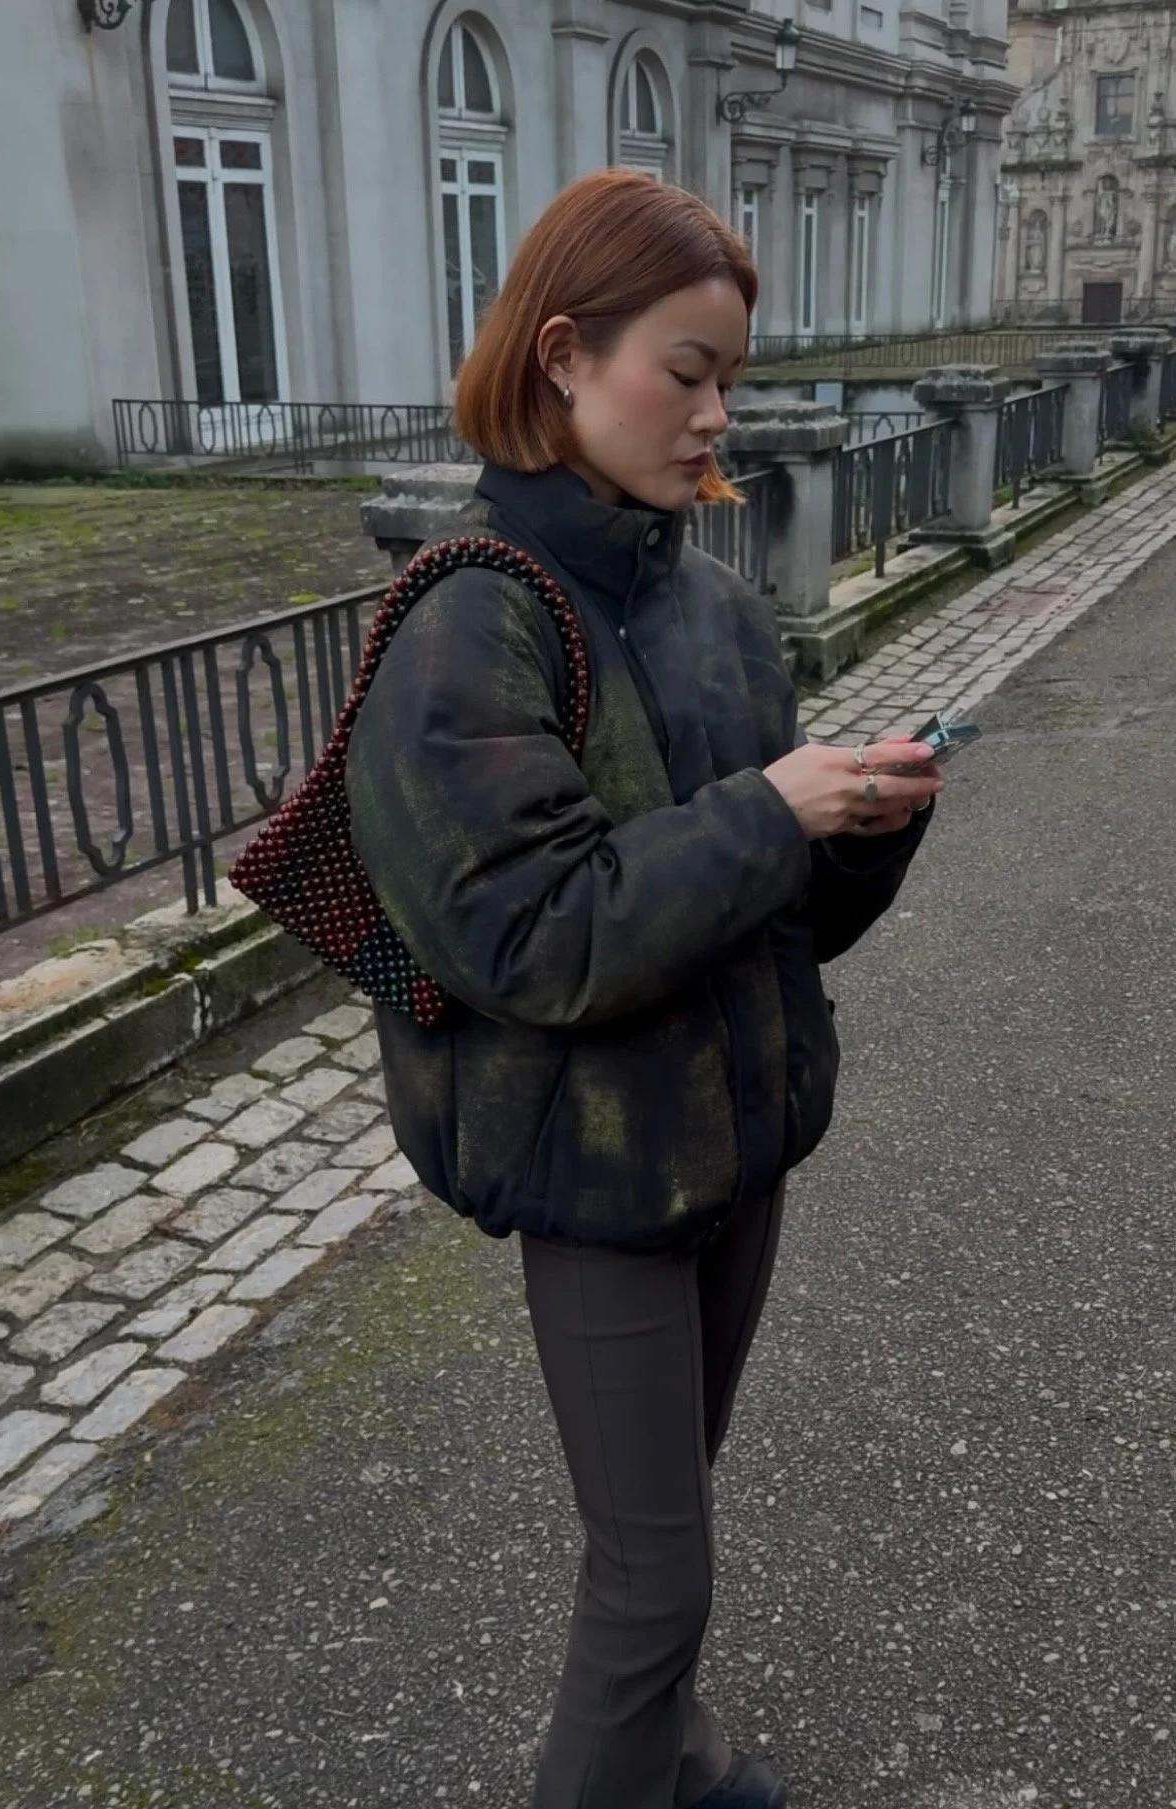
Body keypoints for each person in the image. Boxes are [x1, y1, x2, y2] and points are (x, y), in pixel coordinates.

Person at [345, 169, 939, 1809]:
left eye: (727, 378)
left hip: (736, 1137)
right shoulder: (469, 627)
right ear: (561, 356)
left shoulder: (712, 606)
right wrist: (772, 811)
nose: (714, 415)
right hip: (597, 1172)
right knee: (654, 1582)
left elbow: (777, 922)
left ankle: (670, 1760)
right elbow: (535, 941)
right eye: (685, 372)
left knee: (662, 1512)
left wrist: (863, 825)